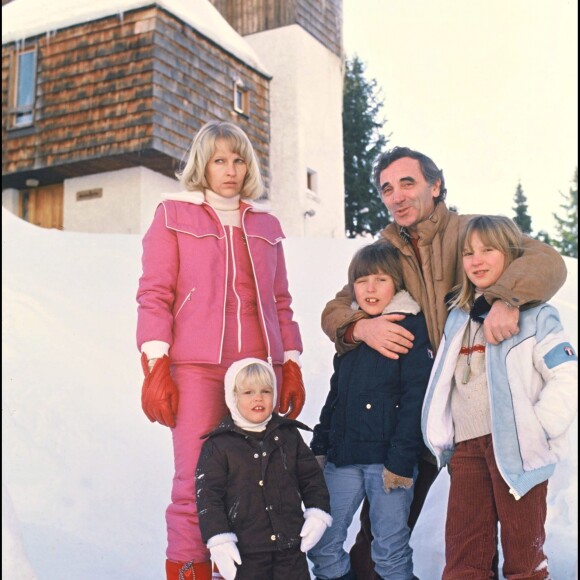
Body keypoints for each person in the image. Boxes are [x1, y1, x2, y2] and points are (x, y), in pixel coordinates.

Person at [320, 146, 568, 579]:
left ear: (435, 186)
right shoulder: (386, 252)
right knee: (388, 521)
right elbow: (337, 308)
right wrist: (360, 328)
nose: (397, 196)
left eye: (408, 183)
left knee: (509, 530)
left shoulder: (470, 233)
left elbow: (546, 261)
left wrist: (508, 299)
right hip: (410, 406)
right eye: (386, 189)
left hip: (476, 406)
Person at [136, 121, 306, 580]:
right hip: (196, 368)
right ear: (202, 164)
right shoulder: (173, 215)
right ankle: (192, 571)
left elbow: (281, 300)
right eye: (219, 160)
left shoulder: (266, 225)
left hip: (258, 370)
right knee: (196, 480)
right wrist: (156, 364)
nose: (230, 170)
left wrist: (289, 364)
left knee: (258, 483)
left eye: (238, 160)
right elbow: (155, 294)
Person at [422, 215, 577, 579]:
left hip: (517, 451)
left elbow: (567, 373)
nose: (476, 260)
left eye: (487, 250)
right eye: (468, 253)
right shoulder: (457, 318)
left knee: (525, 559)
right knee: (464, 556)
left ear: (511, 255)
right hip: (467, 450)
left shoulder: (536, 315)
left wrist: (538, 428)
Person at [308, 240, 434, 580]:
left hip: (388, 465)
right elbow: (335, 398)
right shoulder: (352, 334)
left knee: (389, 552)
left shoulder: (412, 328)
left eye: (380, 279)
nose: (371, 288)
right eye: (362, 281)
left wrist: (401, 461)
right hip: (343, 460)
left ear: (396, 284)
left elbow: (414, 399)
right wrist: (319, 448)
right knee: (322, 544)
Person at [195, 358, 332, 580]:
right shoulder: (218, 445)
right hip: (246, 554)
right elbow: (209, 497)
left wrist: (318, 512)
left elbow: (311, 478)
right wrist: (219, 538)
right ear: (233, 397)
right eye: (248, 392)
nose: (258, 397)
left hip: (290, 548)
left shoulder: (288, 435)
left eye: (266, 391)